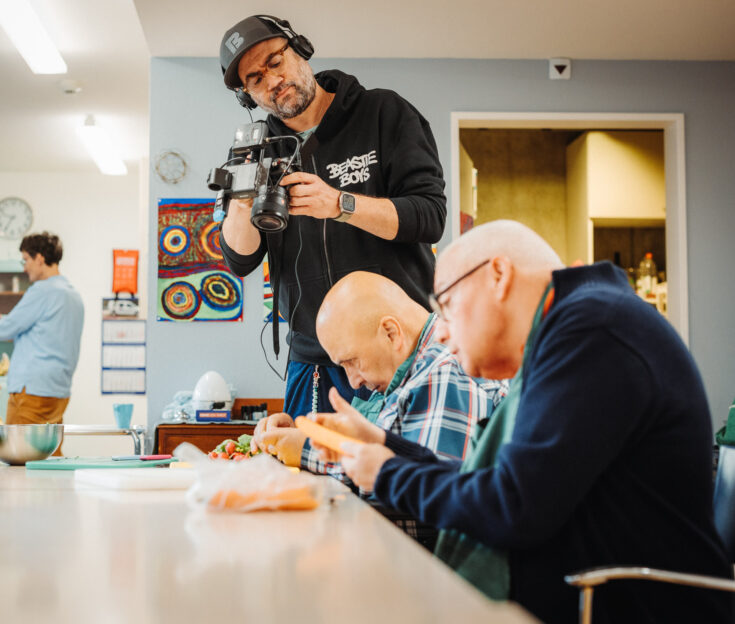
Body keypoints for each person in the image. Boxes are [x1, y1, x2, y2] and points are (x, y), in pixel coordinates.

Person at [314, 220, 733, 622]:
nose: (440, 332)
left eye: (447, 304)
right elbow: (501, 482)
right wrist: (385, 445)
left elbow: (512, 506)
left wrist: (386, 473)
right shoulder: (578, 325)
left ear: (498, 275)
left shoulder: (593, 330)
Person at [217, 15, 446, 417]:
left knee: (407, 457)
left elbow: (429, 215)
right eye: (255, 79)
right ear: (246, 96)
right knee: (307, 457)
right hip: (315, 360)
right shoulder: (259, 152)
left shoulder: (383, 112)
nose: (273, 81)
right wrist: (241, 198)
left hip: (400, 349)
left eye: (275, 61)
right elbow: (240, 260)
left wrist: (342, 204)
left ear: (300, 50)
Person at [254, 271, 504, 547]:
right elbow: (401, 464)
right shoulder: (408, 372)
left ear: (390, 333)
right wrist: (313, 438)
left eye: (352, 361)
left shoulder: (443, 373)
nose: (353, 381)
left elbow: (427, 510)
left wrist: (307, 451)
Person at [0, 232, 83, 426]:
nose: (24, 267)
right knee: (50, 444)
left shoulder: (42, 290)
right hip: (58, 390)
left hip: (32, 390)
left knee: (19, 444)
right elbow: (48, 336)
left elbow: (7, 328)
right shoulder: (73, 295)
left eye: (26, 260)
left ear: (40, 258)